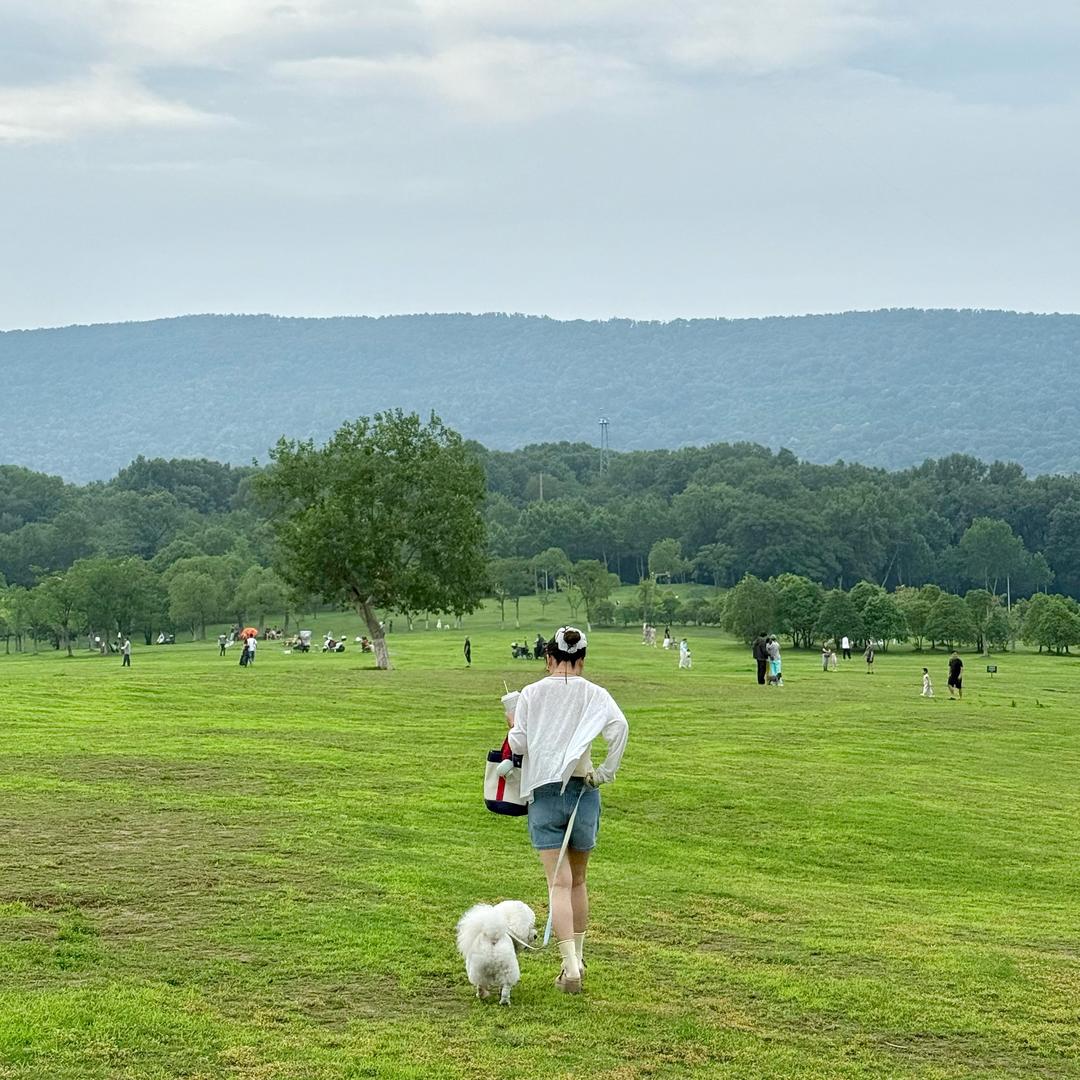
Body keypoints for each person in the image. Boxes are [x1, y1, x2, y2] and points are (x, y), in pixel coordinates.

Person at [506, 626, 628, 996]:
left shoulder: (530, 693)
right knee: (578, 881)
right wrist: (604, 773)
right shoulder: (595, 694)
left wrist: (512, 725)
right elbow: (620, 728)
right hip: (583, 793)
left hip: (544, 793)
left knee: (557, 883)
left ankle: (570, 966)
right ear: (582, 659)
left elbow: (520, 744)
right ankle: (577, 958)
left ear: (548, 658)